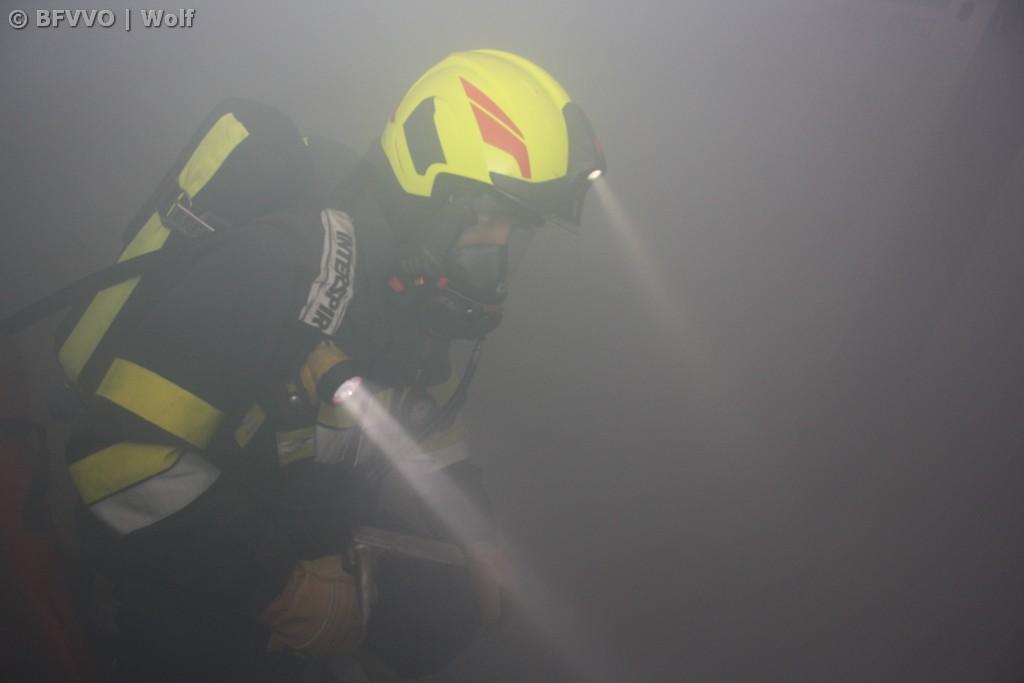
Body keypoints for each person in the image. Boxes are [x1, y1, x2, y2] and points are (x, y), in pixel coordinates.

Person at [59, 49, 605, 681]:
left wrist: (475, 532)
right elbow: (117, 460)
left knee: (442, 608)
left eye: (517, 232)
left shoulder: (409, 306)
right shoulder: (274, 265)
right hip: (180, 568)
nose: (499, 257)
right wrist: (279, 589)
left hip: (287, 525)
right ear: (436, 199)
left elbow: (428, 431)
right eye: (490, 222)